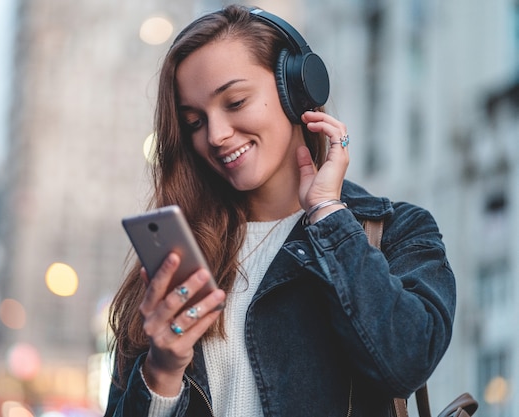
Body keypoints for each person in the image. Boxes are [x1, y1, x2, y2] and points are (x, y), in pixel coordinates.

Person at [105, 4, 456, 417]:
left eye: (235, 102)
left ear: (296, 92)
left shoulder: (393, 231)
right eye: (195, 121)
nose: (215, 135)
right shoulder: (177, 252)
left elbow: (406, 363)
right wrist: (160, 375)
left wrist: (328, 215)